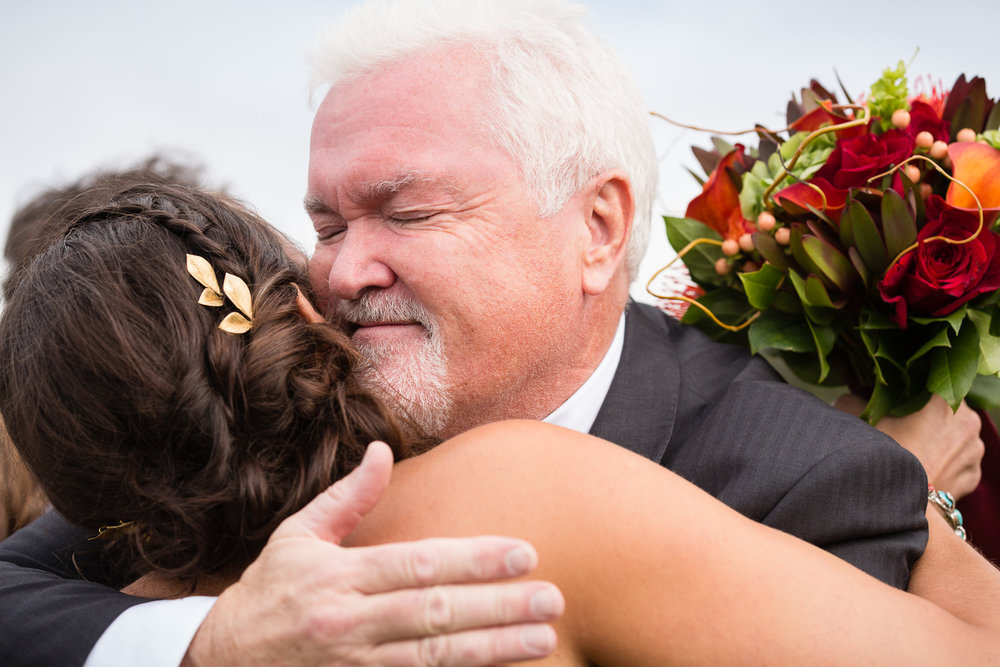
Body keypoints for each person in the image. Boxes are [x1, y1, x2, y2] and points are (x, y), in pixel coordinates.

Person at [0, 0, 985, 664]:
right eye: (327, 225)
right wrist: (212, 641)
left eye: (409, 213)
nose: (344, 271)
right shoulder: (255, 422)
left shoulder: (802, 472)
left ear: (598, 228)